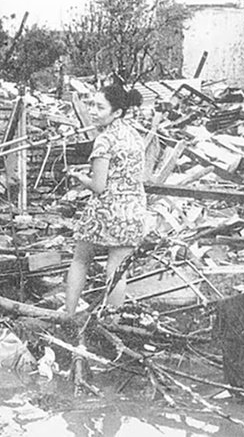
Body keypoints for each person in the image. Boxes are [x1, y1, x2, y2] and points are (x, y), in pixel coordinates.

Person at [65, 81, 147, 315]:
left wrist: (80, 177)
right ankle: (113, 323)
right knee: (117, 271)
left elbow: (99, 186)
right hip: (133, 210)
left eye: (100, 107)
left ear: (117, 112)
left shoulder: (105, 140)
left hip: (106, 210)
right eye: (91, 105)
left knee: (81, 260)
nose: (92, 111)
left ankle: (68, 316)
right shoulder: (134, 136)